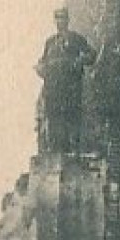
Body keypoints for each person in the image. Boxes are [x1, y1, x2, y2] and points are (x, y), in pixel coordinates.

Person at [34, 8, 96, 153]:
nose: (60, 21)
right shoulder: (50, 42)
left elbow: (91, 54)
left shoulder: (76, 39)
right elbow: (43, 61)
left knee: (72, 118)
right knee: (54, 119)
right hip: (53, 87)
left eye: (63, 18)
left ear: (68, 20)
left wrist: (79, 61)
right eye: (57, 18)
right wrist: (41, 68)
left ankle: (73, 150)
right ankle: (55, 150)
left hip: (71, 86)